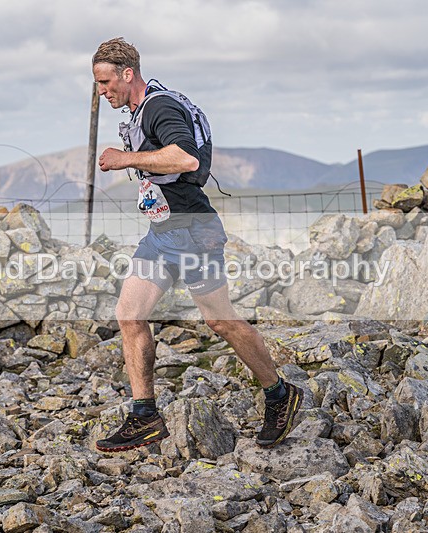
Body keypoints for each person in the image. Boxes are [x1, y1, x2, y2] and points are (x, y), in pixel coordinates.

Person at [91, 37, 302, 452]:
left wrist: (125, 159)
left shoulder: (159, 107)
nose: (102, 91)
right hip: (162, 233)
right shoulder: (141, 108)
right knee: (129, 315)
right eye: (97, 84)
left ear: (128, 74)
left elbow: (185, 159)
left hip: (192, 232)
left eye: (105, 82)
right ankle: (144, 415)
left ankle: (280, 395)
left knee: (220, 321)